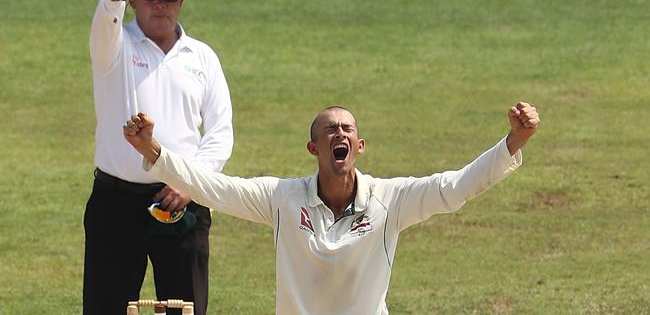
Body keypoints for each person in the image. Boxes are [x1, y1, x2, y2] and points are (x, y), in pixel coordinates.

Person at [123, 102, 539, 314]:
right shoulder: (282, 198)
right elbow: (214, 187)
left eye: (347, 129)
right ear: (313, 147)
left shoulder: (389, 199)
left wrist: (512, 143)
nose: (339, 133)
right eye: (329, 129)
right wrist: (154, 152)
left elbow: (456, 187)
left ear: (358, 146)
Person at [84, 0, 233, 315]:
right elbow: (104, 32)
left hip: (181, 202)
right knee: (106, 307)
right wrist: (111, 2)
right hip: (116, 203)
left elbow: (220, 131)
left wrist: (190, 182)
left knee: (186, 308)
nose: (160, 5)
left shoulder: (202, 57)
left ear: (181, 1)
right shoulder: (115, 46)